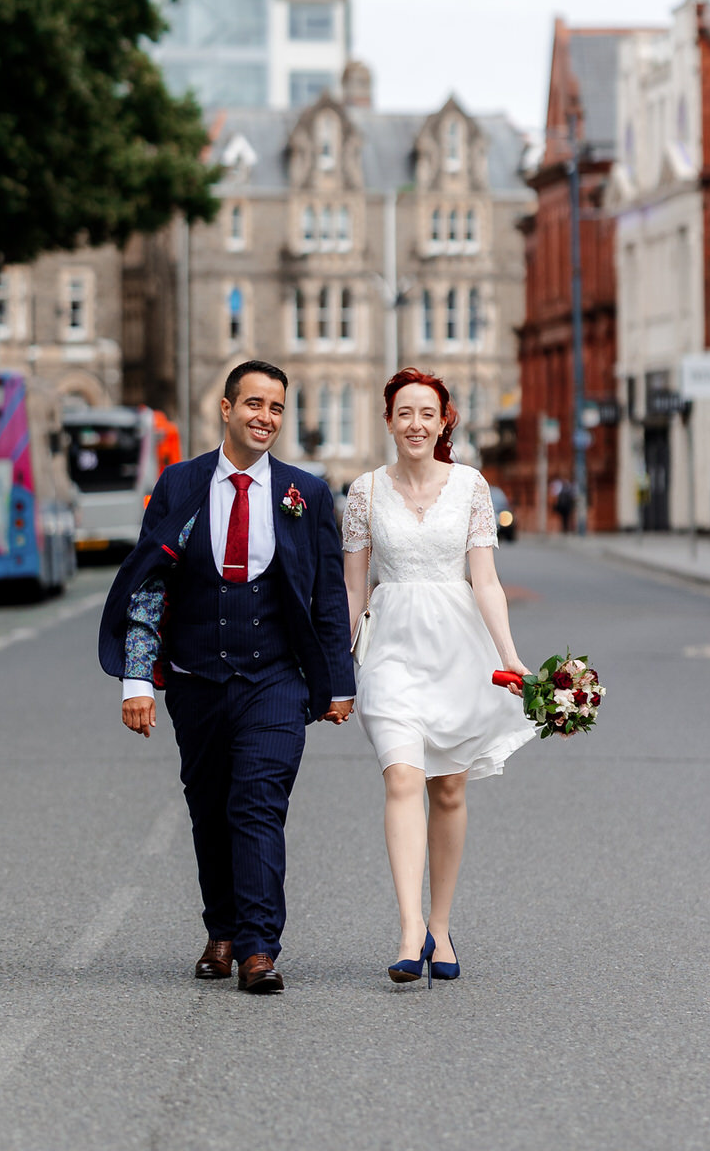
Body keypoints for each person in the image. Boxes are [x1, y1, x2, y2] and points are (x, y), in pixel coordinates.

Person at [98, 360, 355, 995]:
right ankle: (223, 929)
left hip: (276, 678)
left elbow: (327, 596)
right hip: (195, 677)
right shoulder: (178, 485)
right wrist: (137, 681)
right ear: (226, 407)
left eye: (276, 408)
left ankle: (259, 948)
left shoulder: (307, 493)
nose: (265, 418)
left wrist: (338, 682)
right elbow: (146, 584)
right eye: (254, 405)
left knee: (258, 805)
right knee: (210, 807)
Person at [342, 368, 534, 985]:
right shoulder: (363, 492)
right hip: (391, 649)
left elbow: (486, 582)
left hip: (459, 650)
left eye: (427, 413)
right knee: (402, 776)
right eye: (404, 413)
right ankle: (407, 928)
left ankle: (441, 925)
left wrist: (511, 655)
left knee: (448, 791)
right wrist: (339, 669)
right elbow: (353, 588)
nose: (415, 424)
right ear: (388, 421)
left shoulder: (472, 487)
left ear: (444, 419)